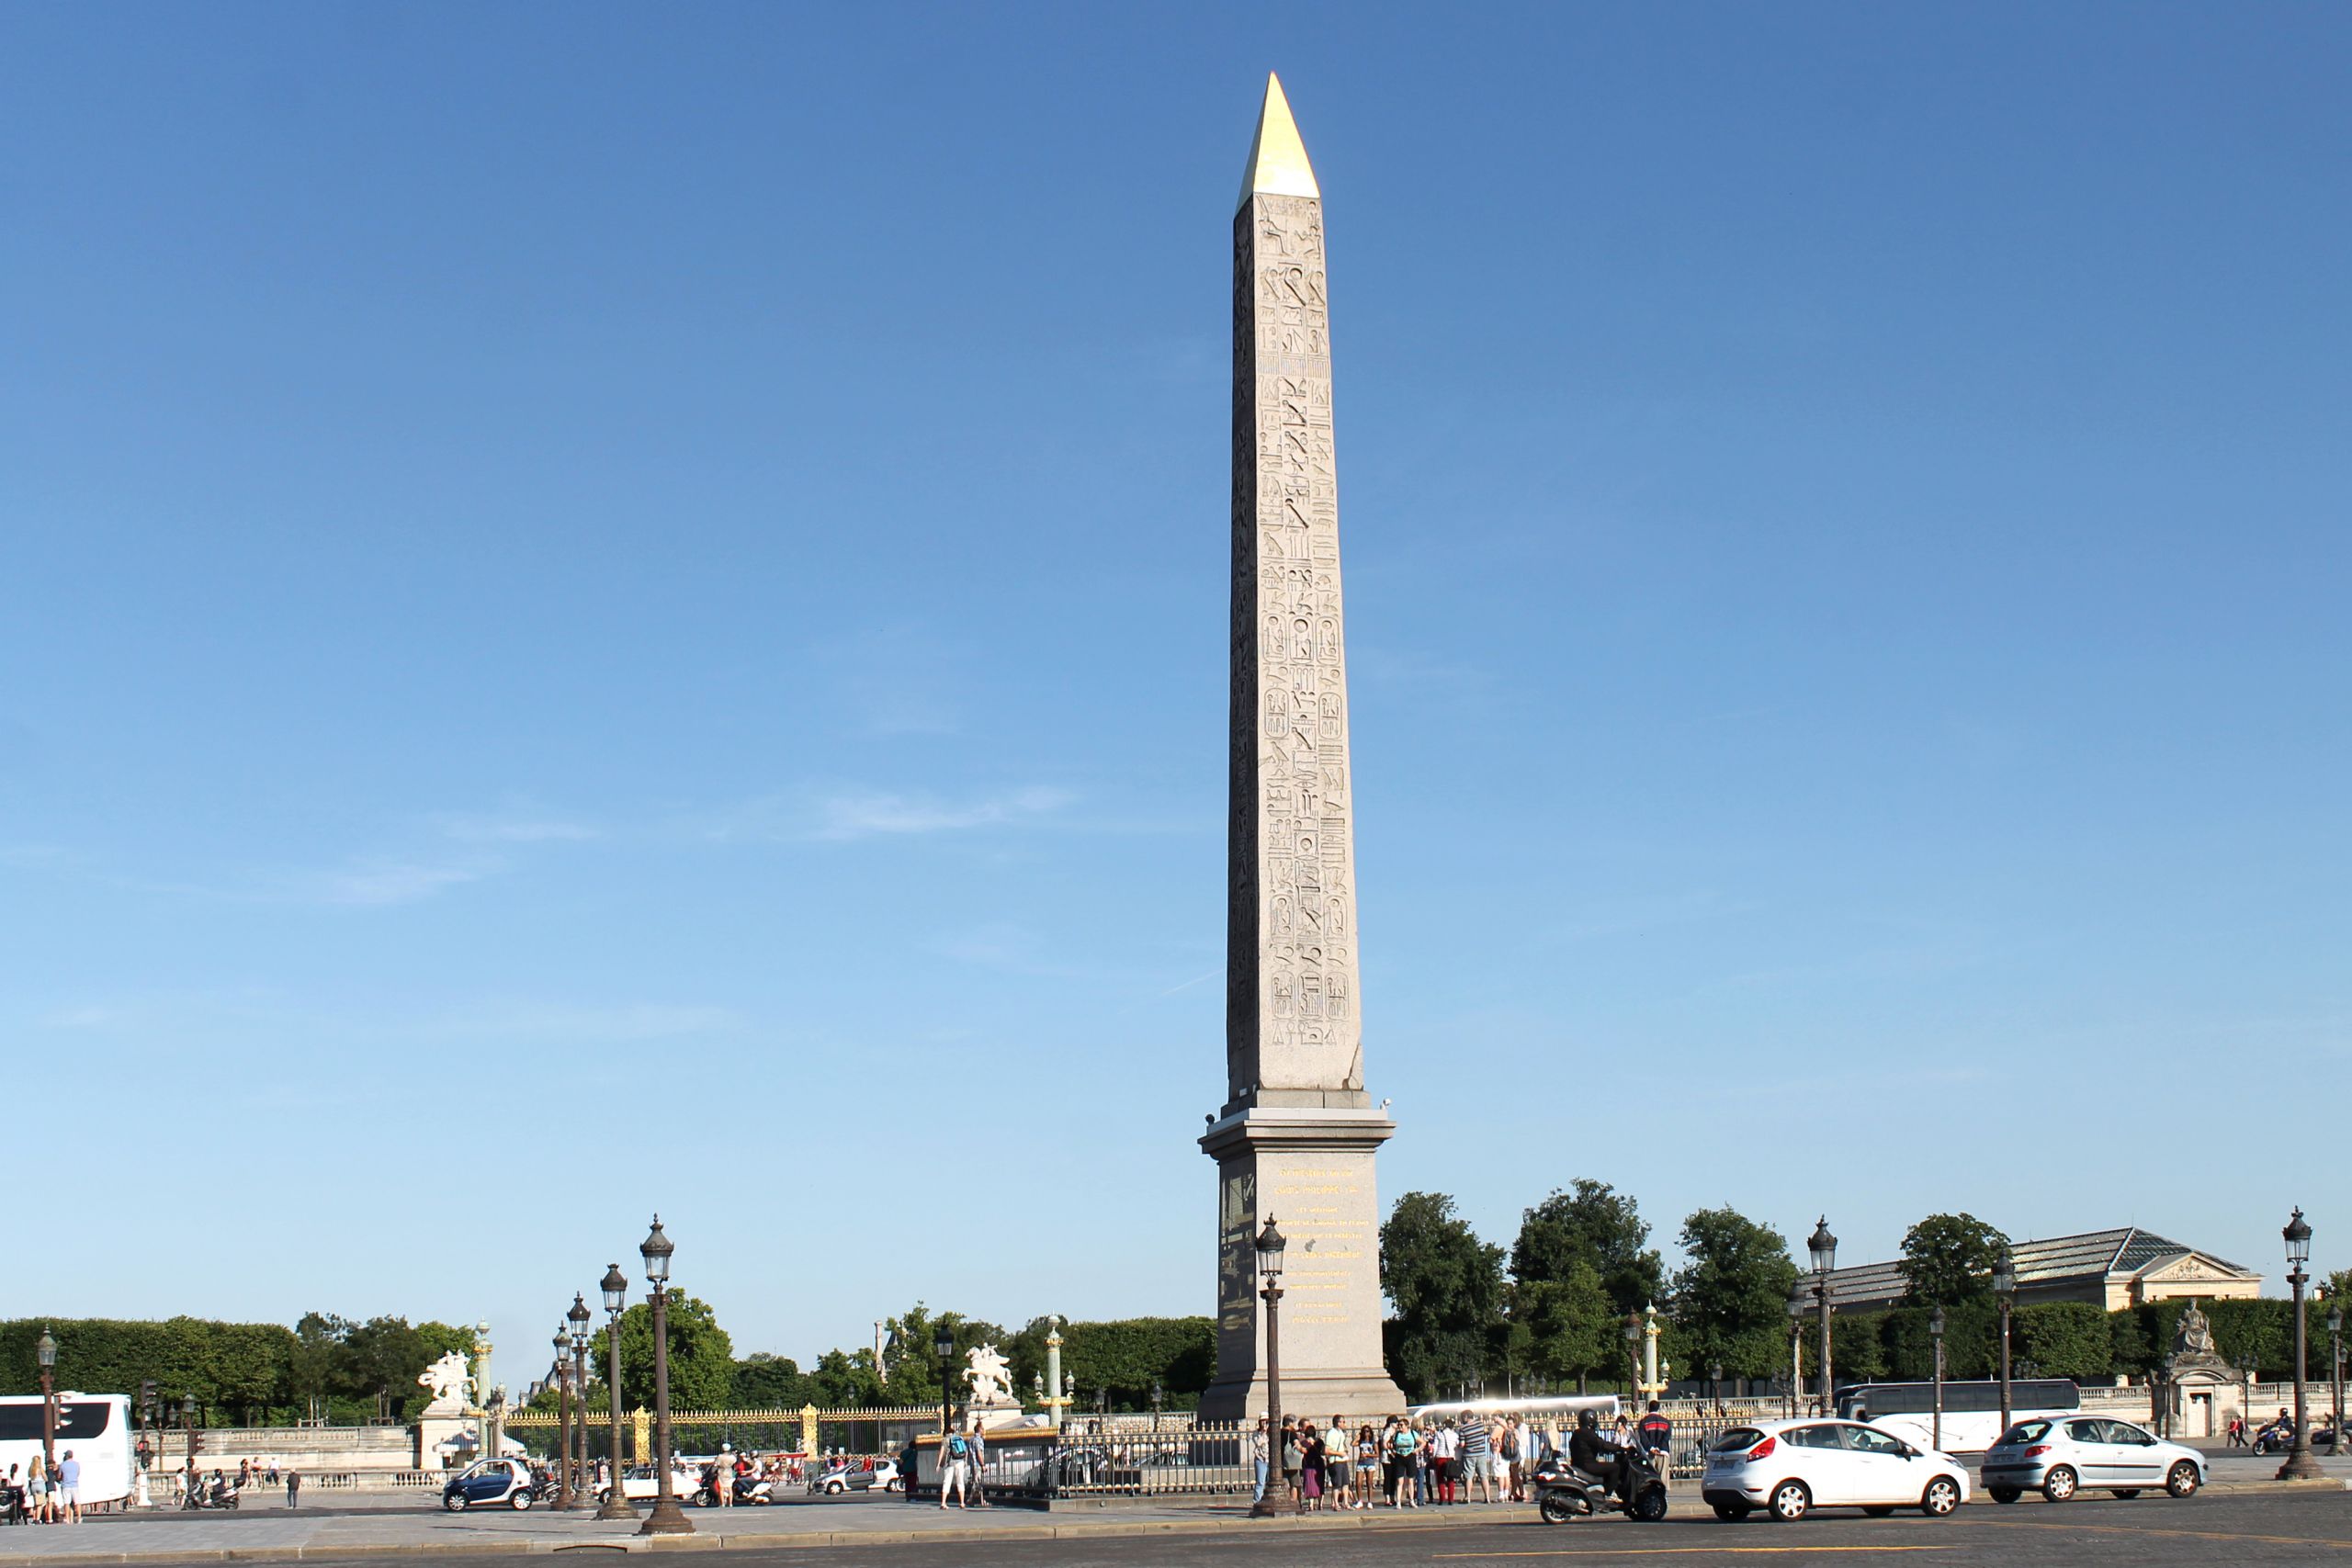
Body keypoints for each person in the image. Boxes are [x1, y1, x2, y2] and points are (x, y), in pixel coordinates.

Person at [1569, 1411, 1623, 1500]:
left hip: (1581, 1463)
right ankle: (1609, 1495)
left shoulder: (1579, 1432)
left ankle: (1602, 1492)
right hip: (1587, 1464)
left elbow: (1598, 1444)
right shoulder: (1586, 1433)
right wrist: (1620, 1449)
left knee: (1607, 1467)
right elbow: (1601, 1444)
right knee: (1615, 1467)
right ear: (1590, 1420)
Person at [1457, 1410, 1493, 1503]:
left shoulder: (1463, 1428)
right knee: (1483, 1476)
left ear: (1465, 1417)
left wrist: (1458, 1446)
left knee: (1469, 1476)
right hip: (1481, 1453)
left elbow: (1462, 1444)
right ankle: (1487, 1497)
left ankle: (1468, 1497)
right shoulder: (1480, 1425)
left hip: (1469, 1454)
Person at [1637, 1401, 1673, 1489]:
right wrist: (1659, 1448)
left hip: (1649, 1453)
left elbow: (1643, 1438)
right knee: (1663, 1477)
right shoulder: (1666, 1422)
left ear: (1649, 1408)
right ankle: (1663, 1496)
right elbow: (1666, 1437)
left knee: (1649, 1477)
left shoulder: (1644, 1421)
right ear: (1658, 1408)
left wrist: (1651, 1448)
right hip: (1663, 1452)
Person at [938, 1426, 972, 1510]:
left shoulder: (945, 1440)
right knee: (960, 1481)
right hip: (960, 1461)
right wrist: (965, 1461)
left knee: (947, 1482)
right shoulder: (960, 1438)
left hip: (949, 1463)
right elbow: (965, 1450)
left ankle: (943, 1503)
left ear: (945, 1433)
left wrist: (938, 1464)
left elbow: (942, 1452)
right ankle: (962, 1503)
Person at [1249, 1417, 1270, 1504]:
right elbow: (1259, 1443)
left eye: (1267, 1421)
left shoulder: (1272, 1433)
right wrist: (1263, 1432)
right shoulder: (1256, 1434)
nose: (1265, 1423)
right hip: (1260, 1459)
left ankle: (1268, 1499)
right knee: (1260, 1481)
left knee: (1270, 1481)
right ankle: (1257, 1501)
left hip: (1271, 1459)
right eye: (1263, 1421)